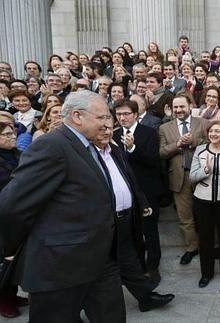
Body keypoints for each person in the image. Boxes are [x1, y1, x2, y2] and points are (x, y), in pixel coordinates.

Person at [0, 91, 126, 322]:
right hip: (58, 266)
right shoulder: (52, 146)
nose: (108, 124)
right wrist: (11, 247)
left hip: (99, 260)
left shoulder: (86, 146)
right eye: (102, 117)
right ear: (77, 116)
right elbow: (11, 205)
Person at [93, 118, 175, 312]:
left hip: (125, 216)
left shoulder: (114, 151)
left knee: (129, 260)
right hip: (101, 220)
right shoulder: (86, 155)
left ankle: (146, 297)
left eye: (108, 129)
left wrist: (142, 203)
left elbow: (128, 179)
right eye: (101, 129)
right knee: (98, 267)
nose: (106, 133)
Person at [112, 99, 165, 282]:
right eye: (119, 114)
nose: (122, 118)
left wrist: (132, 148)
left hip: (147, 190)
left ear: (135, 114)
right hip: (124, 192)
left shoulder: (149, 133)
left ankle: (153, 267)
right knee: (132, 232)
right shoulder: (114, 134)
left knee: (150, 232)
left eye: (126, 114)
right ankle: (139, 267)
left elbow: (153, 160)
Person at [159, 92, 208, 265]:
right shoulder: (165, 128)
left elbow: (213, 142)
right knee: (185, 217)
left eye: (182, 106)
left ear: (190, 107)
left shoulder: (203, 123)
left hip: (203, 176)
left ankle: (209, 246)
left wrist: (193, 140)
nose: (179, 110)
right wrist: (178, 144)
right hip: (179, 178)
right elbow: (162, 152)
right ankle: (191, 247)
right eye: (176, 107)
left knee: (206, 214)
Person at [189, 121, 220, 288]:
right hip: (202, 200)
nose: (214, 134)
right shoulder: (200, 150)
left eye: (217, 131)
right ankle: (206, 274)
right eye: (211, 131)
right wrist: (205, 170)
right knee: (205, 238)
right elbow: (192, 177)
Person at [0, 121, 27, 319]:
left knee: (16, 258)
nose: (12, 137)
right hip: (3, 214)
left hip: (19, 213)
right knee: (4, 260)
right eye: (7, 134)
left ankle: (13, 293)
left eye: (12, 134)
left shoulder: (19, 154)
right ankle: (3, 299)